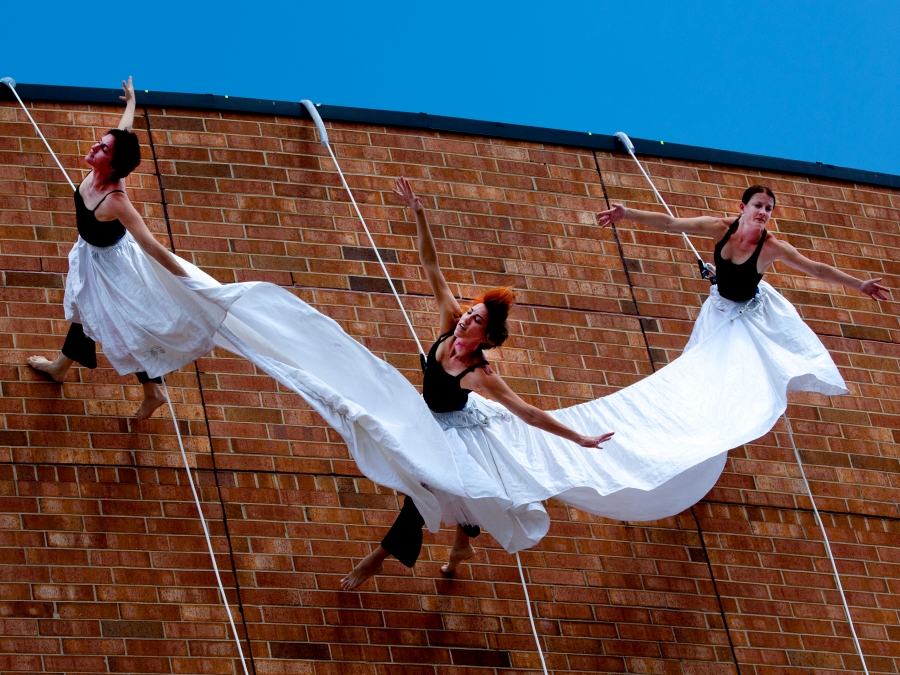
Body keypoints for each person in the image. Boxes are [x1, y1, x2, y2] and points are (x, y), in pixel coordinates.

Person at [340, 178, 615, 591]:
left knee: (424, 491)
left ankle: (376, 559)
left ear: (485, 338)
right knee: (452, 490)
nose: (466, 318)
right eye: (470, 311)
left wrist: (580, 438)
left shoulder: (479, 372)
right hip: (425, 415)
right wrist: (418, 214)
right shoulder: (451, 322)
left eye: (477, 319)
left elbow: (527, 412)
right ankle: (462, 544)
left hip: (455, 430)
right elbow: (431, 267)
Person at [27, 78, 220, 420]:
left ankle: (153, 391)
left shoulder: (115, 200)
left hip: (117, 267)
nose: (94, 147)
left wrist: (189, 282)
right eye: (100, 143)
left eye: (102, 149)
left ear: (113, 165)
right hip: (93, 255)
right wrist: (130, 102)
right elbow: (123, 131)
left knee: (123, 326)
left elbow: (149, 244)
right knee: (86, 311)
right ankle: (60, 366)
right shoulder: (105, 165)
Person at [596, 185, 889, 303]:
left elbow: (818, 270)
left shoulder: (772, 246)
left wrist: (859, 284)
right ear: (742, 207)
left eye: (769, 209)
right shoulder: (718, 227)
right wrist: (628, 213)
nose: (763, 212)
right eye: (758, 206)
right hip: (722, 304)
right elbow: (671, 223)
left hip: (754, 307)